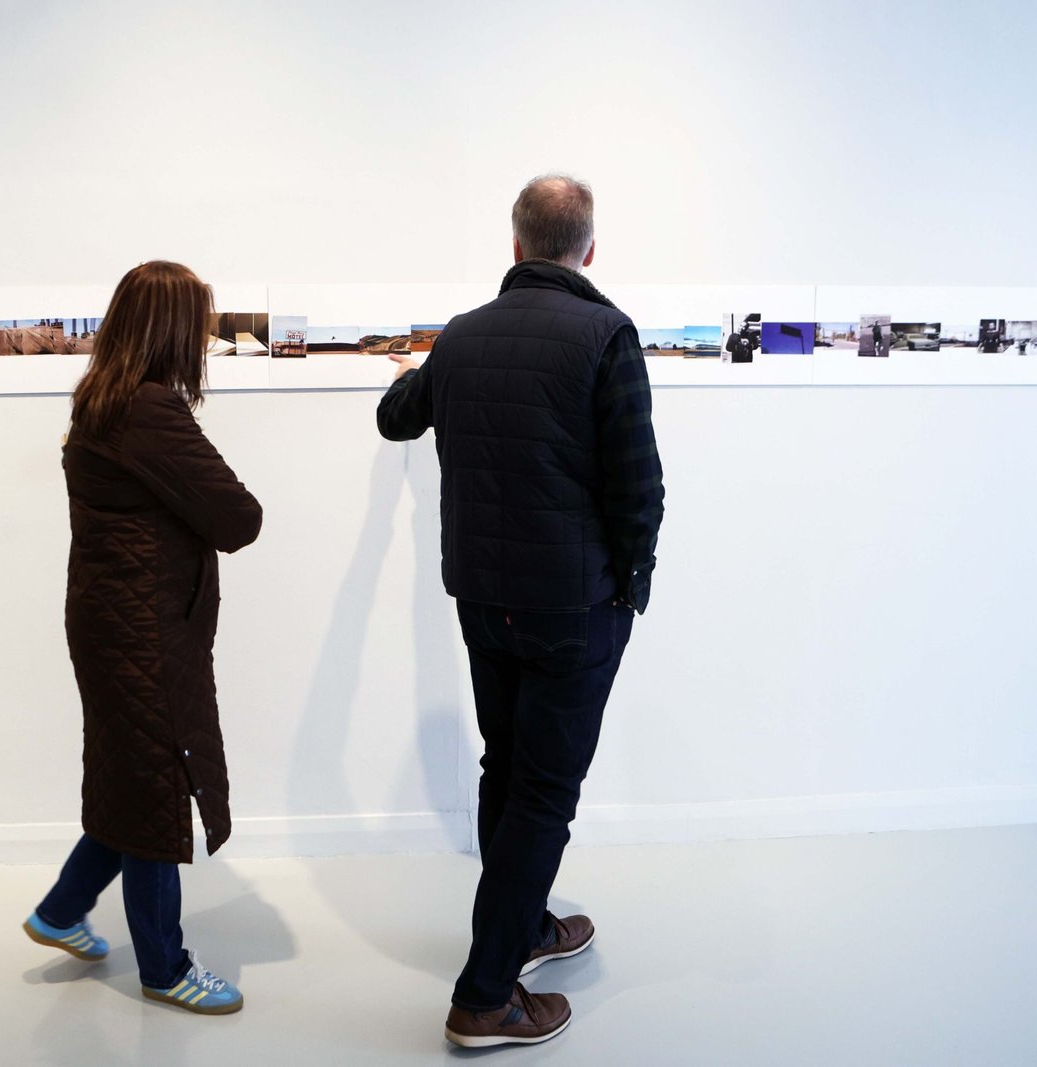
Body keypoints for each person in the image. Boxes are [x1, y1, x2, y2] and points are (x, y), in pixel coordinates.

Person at [377, 174, 665, 1049]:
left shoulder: (462, 335)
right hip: (574, 603)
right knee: (543, 792)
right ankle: (485, 996)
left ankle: (527, 926)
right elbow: (638, 485)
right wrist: (633, 584)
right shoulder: (607, 334)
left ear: (515, 245)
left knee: (506, 768)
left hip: (483, 596)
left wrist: (415, 375)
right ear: (589, 249)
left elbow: (396, 419)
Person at [23, 260, 263, 1016]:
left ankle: (60, 911)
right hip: (143, 627)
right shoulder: (150, 410)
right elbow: (239, 518)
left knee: (131, 776)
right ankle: (164, 967)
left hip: (113, 619)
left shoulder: (101, 397)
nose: (205, 338)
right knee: (157, 786)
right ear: (171, 331)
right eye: (199, 324)